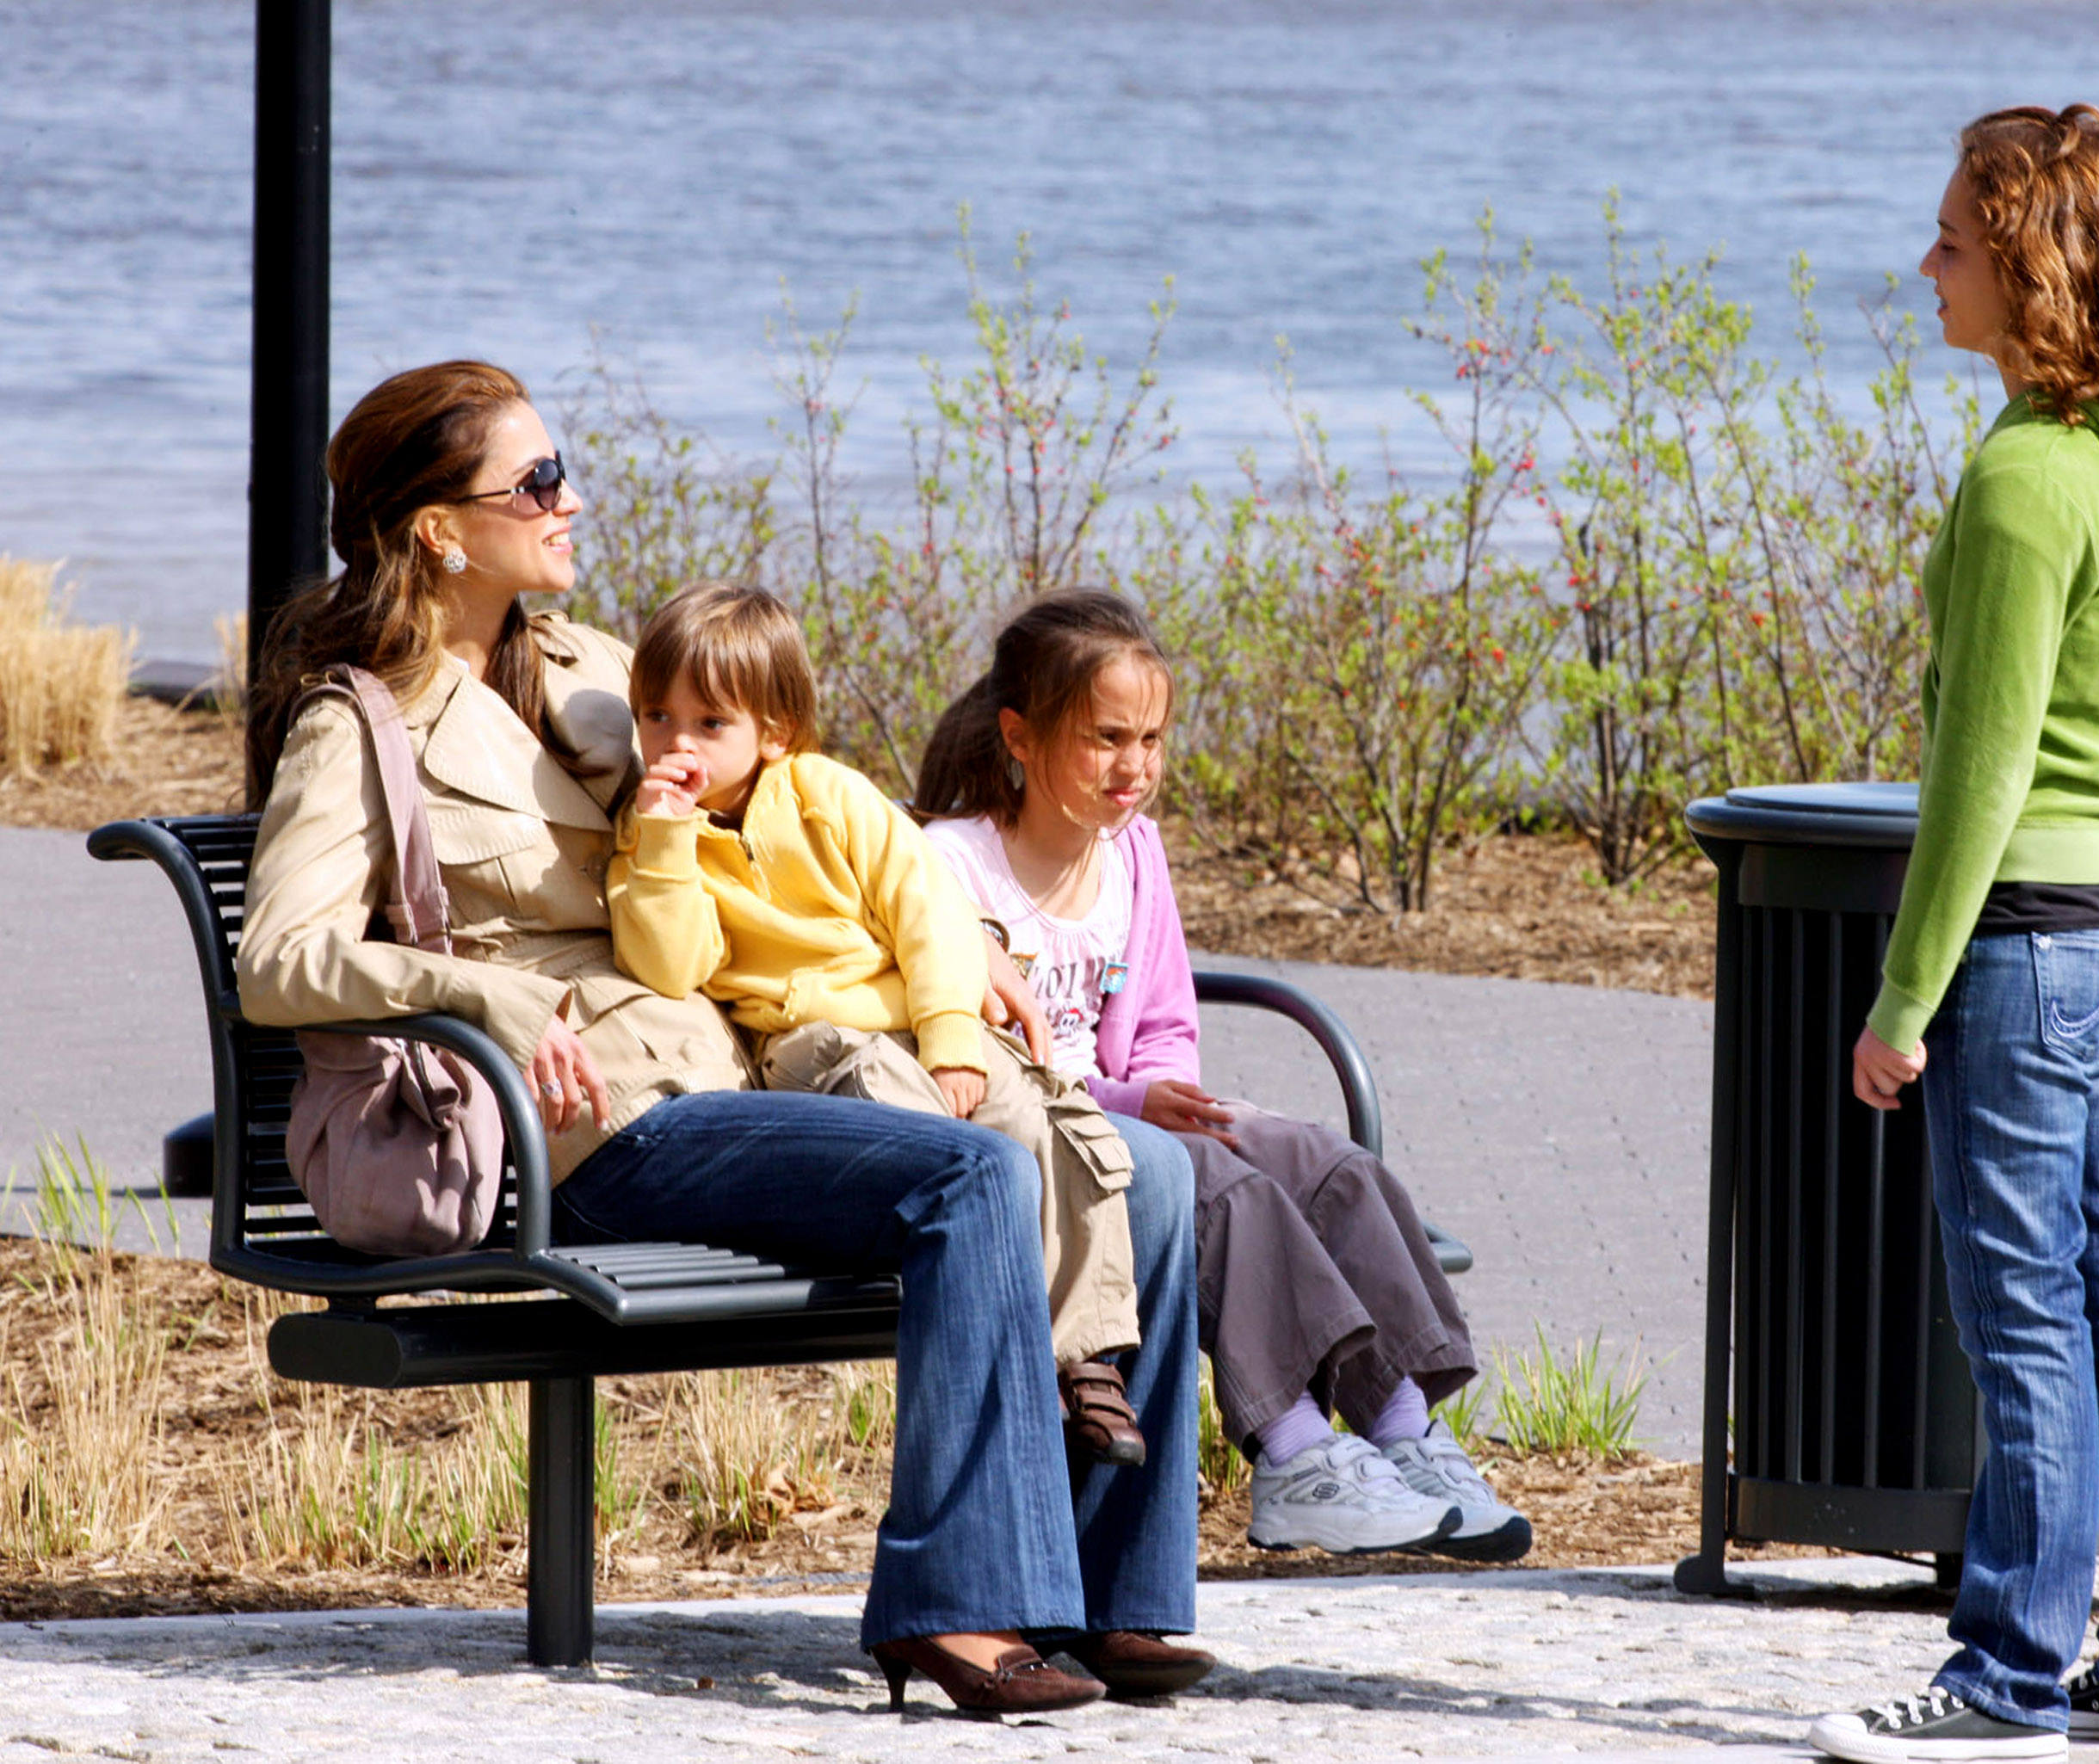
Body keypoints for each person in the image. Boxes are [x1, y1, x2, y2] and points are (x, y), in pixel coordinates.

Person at [232, 361, 1212, 1712]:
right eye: (536, 482)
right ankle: (957, 1603)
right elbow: (278, 961)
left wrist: (958, 940)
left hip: (747, 1060)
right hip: (591, 1119)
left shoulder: (599, 669)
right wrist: (490, 995)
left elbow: (795, 813)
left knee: (1149, 1170)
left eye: (560, 467)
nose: (569, 499)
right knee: (968, 1175)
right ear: (442, 531)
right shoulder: (364, 723)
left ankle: (1114, 1601)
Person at [1807, 107, 2099, 1763]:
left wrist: (1901, 1000)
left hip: (2030, 948)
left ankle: (2002, 1681)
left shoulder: (2020, 482)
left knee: (2026, 1319)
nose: (1926, 267)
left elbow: (1978, 776)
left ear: (2034, 270)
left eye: (1955, 244)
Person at [915, 589, 1531, 1563]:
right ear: (1020, 737)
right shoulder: (950, 867)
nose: (1136, 766)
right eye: (1107, 737)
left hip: (1133, 1113)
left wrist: (1173, 1096)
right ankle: (1292, 1457)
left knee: (1328, 1163)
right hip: (1043, 1137)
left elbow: (1162, 1022)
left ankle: (1404, 1430)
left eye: (1152, 738)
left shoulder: (1135, 854)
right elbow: (986, 1058)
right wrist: (1138, 1106)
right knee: (1226, 1192)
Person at [604, 579, 1149, 1466]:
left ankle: (1084, 1357)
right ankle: (1013, 1349)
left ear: (774, 732)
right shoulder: (655, 840)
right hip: (805, 1041)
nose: (676, 743)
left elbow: (929, 911)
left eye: (710, 724)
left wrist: (951, 1037)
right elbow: (672, 965)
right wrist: (663, 841)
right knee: (912, 1119)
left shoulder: (826, 794)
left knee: (1041, 1123)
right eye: (657, 717)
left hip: (916, 1018)